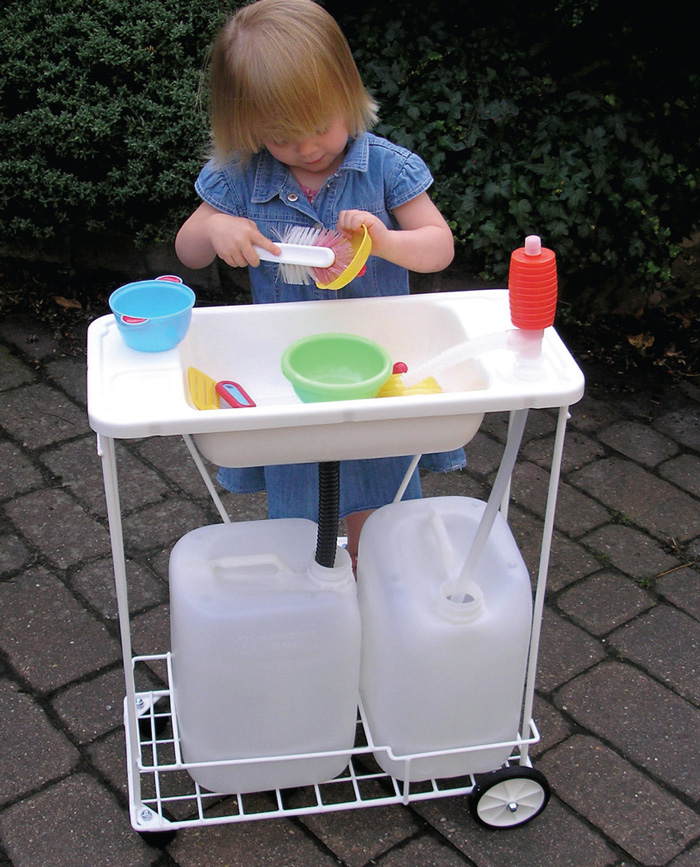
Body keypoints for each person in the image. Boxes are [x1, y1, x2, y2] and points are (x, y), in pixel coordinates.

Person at [175, 0, 465, 567]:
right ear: (249, 128)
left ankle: (370, 577)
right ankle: (310, 595)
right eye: (282, 137)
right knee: (300, 497)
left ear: (348, 95)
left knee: (377, 496)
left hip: (378, 369)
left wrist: (384, 241)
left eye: (318, 126)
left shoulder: (385, 168)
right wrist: (217, 225)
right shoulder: (241, 176)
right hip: (290, 373)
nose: (307, 148)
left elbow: (439, 247)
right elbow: (186, 249)